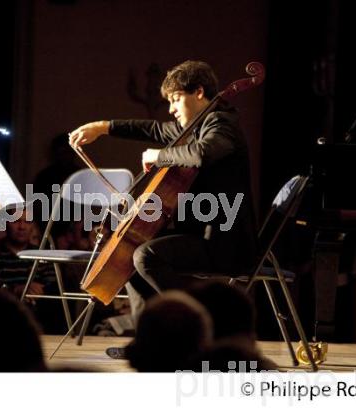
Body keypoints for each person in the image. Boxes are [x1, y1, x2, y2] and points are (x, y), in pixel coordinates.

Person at [69, 60, 258, 358]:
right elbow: (154, 129)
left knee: (146, 255)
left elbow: (202, 154)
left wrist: (160, 156)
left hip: (226, 240)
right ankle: (149, 340)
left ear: (198, 92)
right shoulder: (194, 129)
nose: (170, 108)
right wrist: (102, 128)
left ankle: (202, 329)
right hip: (203, 235)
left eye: (175, 99)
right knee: (130, 254)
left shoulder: (222, 124)